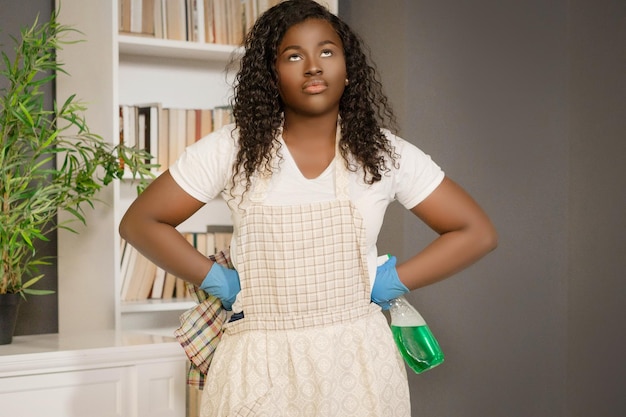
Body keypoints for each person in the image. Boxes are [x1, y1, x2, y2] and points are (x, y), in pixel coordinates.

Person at [119, 0, 497, 415]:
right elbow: (141, 222)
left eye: (327, 52)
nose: (313, 66)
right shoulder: (231, 149)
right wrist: (216, 280)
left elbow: (475, 231)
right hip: (257, 363)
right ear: (272, 75)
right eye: (293, 55)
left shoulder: (384, 154)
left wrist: (395, 280)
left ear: (348, 68)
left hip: (357, 361)